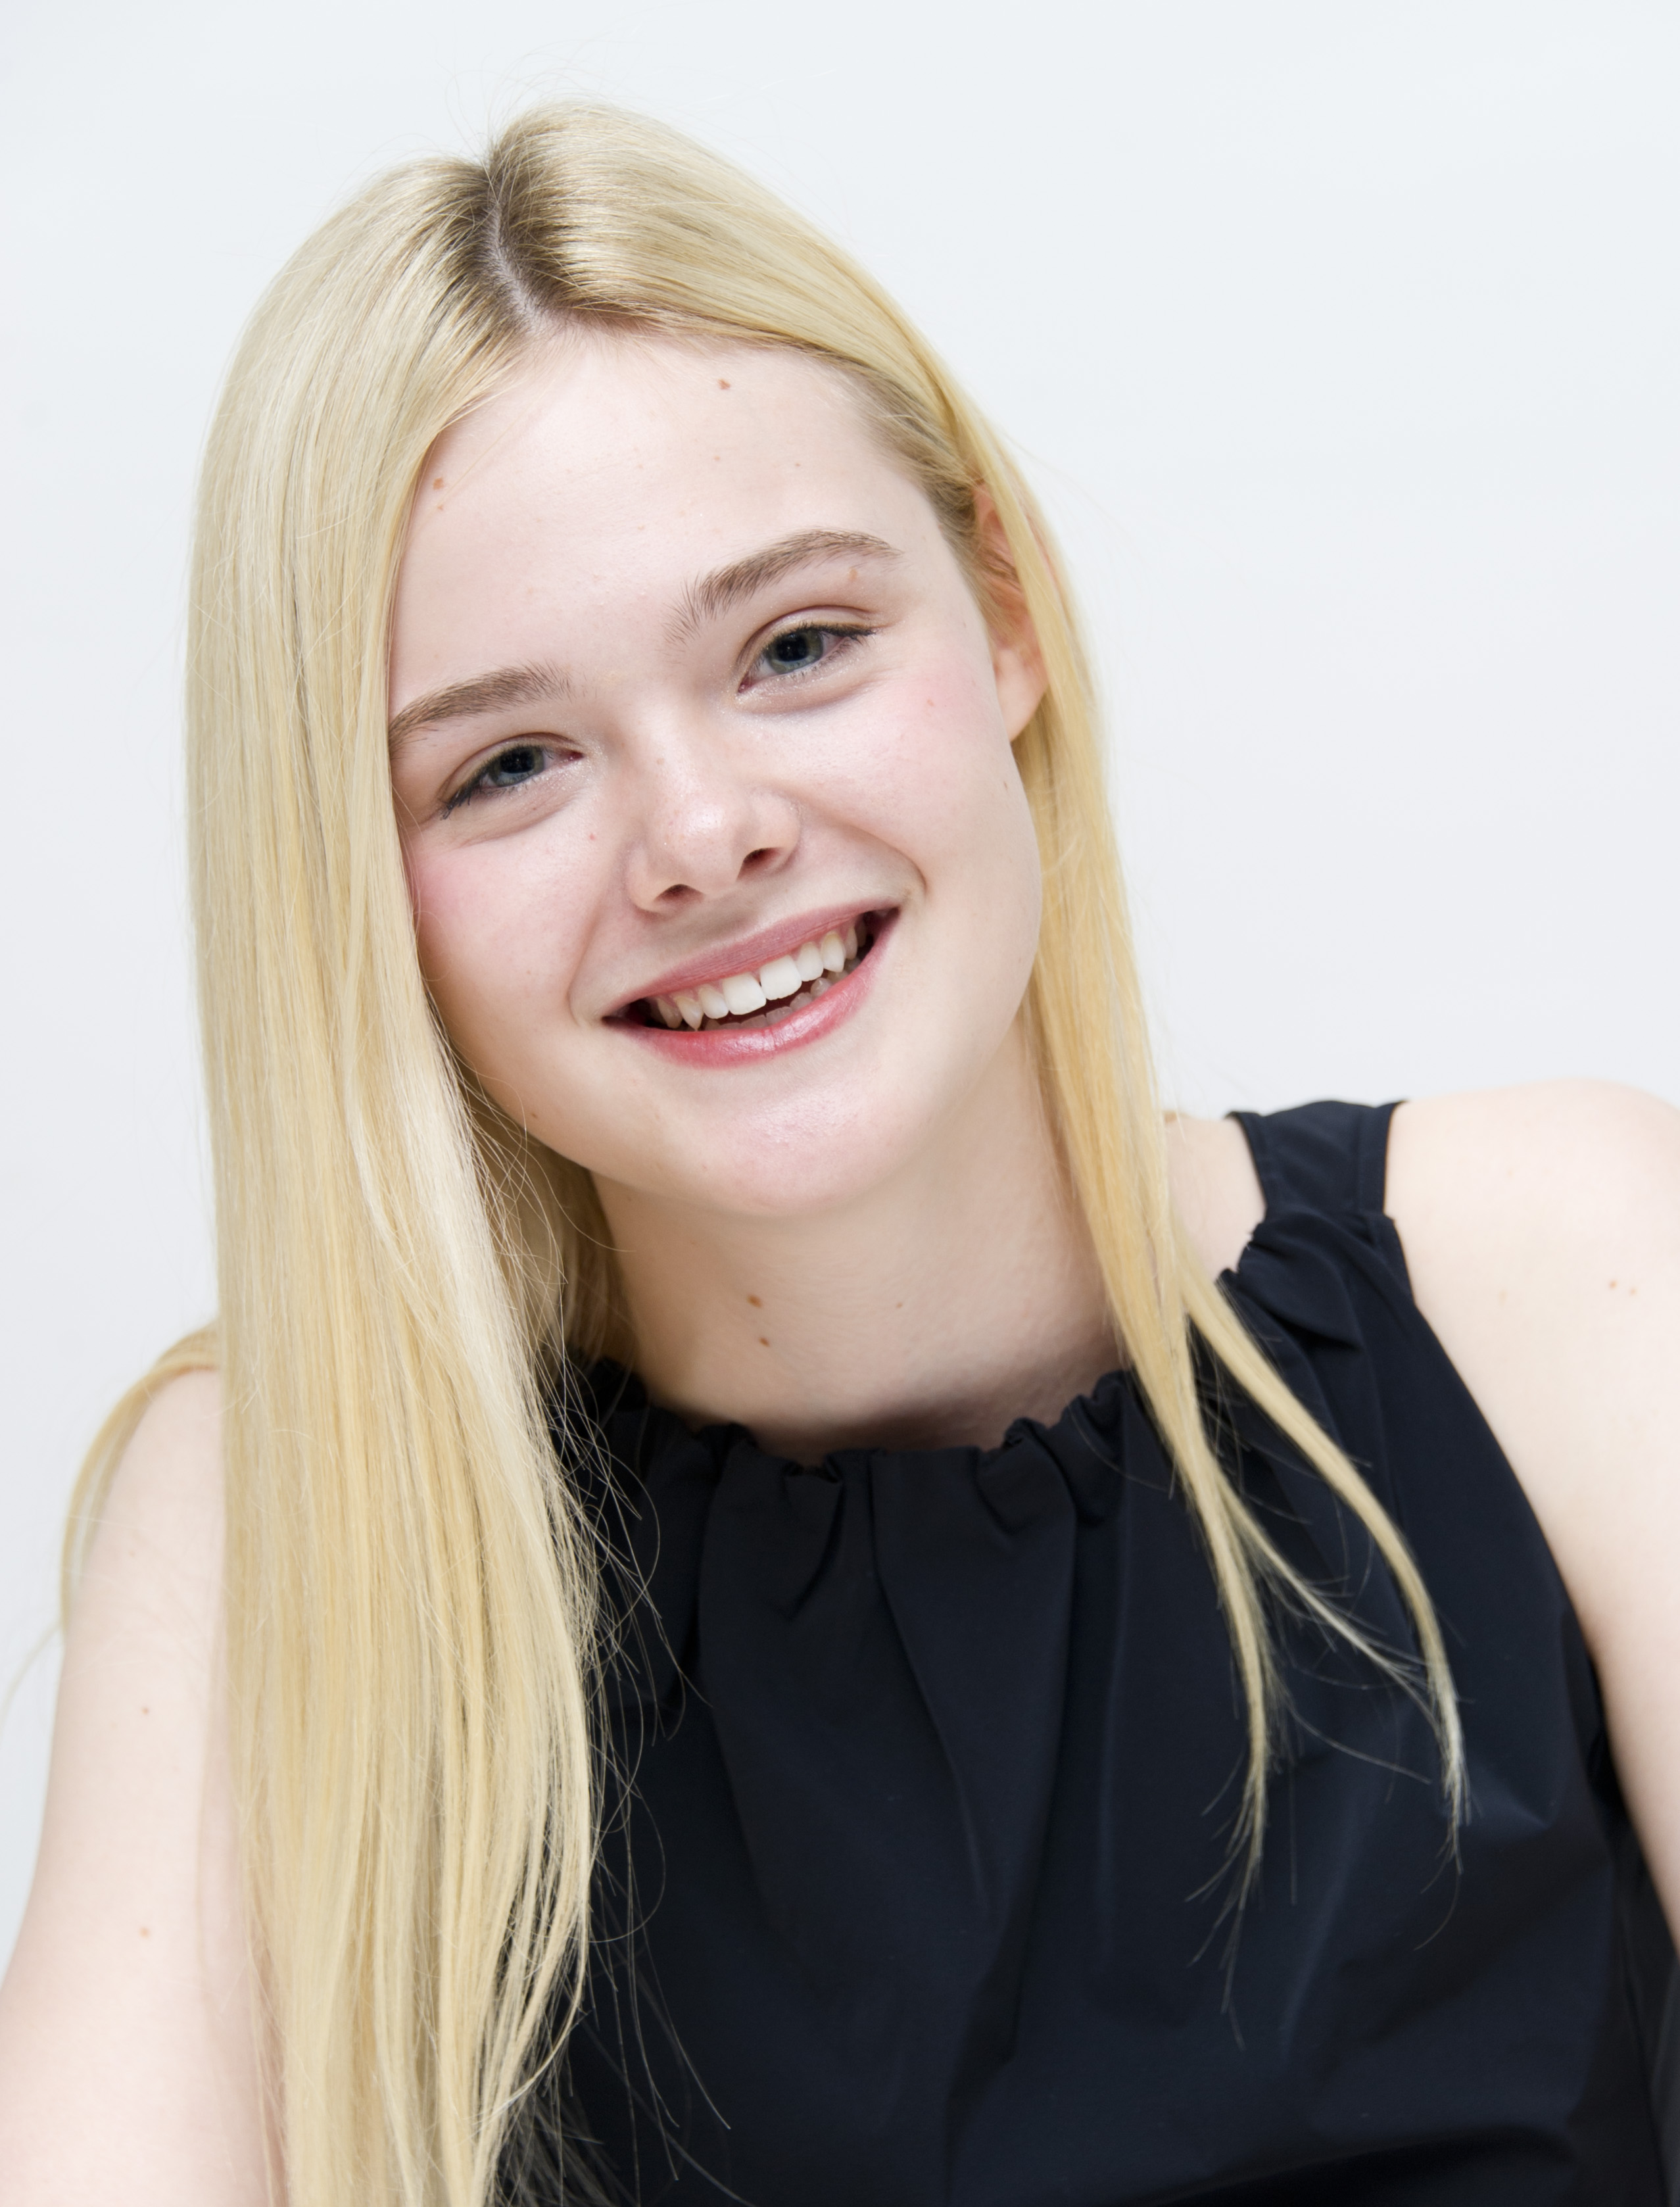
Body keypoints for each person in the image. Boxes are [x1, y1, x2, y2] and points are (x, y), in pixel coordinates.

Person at [0, 99, 1676, 2207]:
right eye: (508, 763)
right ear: (351, 888)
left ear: (1002, 618)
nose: (702, 836)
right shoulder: (281, 1509)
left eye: (795, 646)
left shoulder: (1551, 1280)